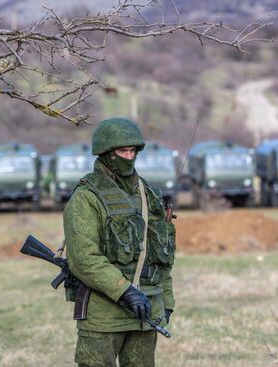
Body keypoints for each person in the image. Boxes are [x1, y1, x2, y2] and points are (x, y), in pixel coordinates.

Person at [63, 117, 176, 367]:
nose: (129, 156)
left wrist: (166, 302)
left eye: (133, 150)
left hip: (146, 311)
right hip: (104, 314)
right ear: (106, 153)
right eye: (122, 150)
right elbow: (84, 259)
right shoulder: (87, 197)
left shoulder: (149, 195)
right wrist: (124, 291)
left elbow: (161, 255)